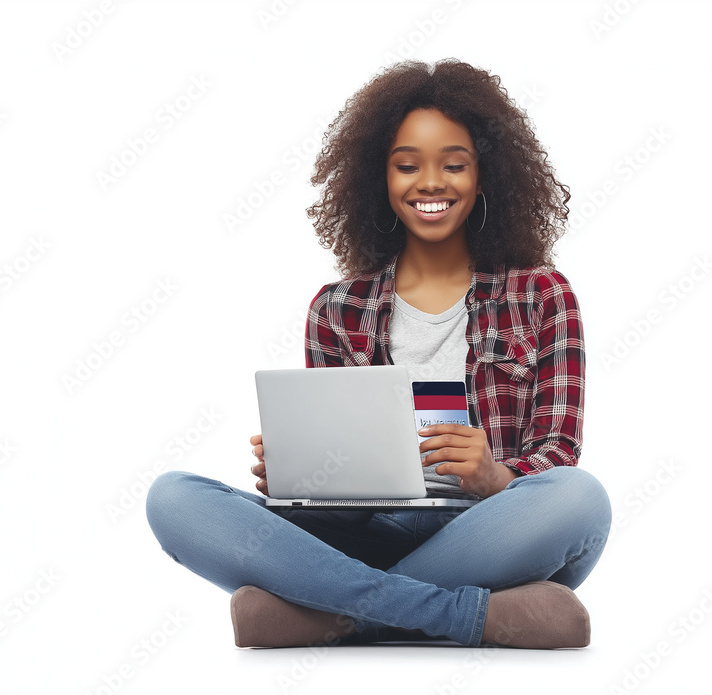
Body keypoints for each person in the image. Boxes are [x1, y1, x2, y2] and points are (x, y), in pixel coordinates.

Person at [145, 58, 612, 649]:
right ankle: (462, 615)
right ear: (378, 179)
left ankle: (331, 614)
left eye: (454, 164)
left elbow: (560, 453)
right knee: (174, 498)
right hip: (362, 534)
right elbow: (338, 501)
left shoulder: (543, 294)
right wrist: (301, 475)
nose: (431, 182)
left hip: (487, 533)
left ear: (486, 175)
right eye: (407, 165)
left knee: (581, 500)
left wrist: (496, 477)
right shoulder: (336, 307)